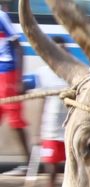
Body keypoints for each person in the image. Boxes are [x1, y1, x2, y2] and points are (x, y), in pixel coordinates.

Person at [24, 36, 69, 187]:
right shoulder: (44, 74)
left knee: (72, 178)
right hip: (51, 133)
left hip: (70, 133)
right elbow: (41, 104)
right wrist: (37, 133)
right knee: (50, 175)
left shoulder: (74, 74)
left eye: (63, 50)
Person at [0, 6, 30, 176]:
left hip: (8, 73)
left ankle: (27, 164)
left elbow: (19, 47)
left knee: (14, 120)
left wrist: (19, 79)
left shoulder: (1, 16)